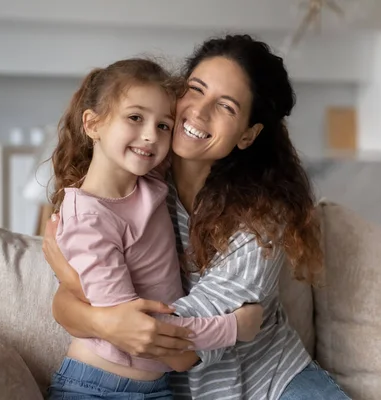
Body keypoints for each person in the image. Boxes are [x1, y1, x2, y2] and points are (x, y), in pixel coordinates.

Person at [44, 35, 351, 399]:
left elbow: (181, 350)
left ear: (248, 135)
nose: (199, 112)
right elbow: (65, 304)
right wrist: (103, 318)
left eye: (227, 107)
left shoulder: (261, 217)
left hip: (269, 384)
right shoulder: (139, 180)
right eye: (195, 89)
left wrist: (96, 308)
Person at [47, 57, 264, 400]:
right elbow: (137, 330)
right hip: (97, 388)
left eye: (164, 125)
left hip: (155, 387)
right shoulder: (88, 219)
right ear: (92, 124)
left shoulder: (150, 184)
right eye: (135, 117)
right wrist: (233, 328)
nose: (150, 136)